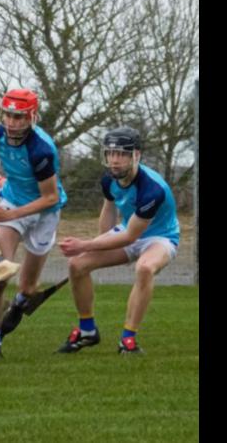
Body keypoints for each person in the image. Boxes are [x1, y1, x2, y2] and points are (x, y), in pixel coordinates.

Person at [57, 127, 179, 355]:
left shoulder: (152, 189)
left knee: (144, 268)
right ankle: (87, 331)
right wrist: (97, 244)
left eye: (122, 154)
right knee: (77, 264)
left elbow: (130, 237)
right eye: (111, 153)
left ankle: (128, 339)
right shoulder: (109, 180)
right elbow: (109, 214)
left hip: (160, 237)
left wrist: (85, 245)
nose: (114, 160)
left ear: (136, 156)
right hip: (127, 229)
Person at [0, 88, 68, 361]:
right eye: (8, 115)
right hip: (12, 203)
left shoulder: (41, 150)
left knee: (28, 288)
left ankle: (19, 304)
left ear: (32, 117)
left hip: (45, 212)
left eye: (19, 117)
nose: (12, 122)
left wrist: (10, 216)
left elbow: (49, 197)